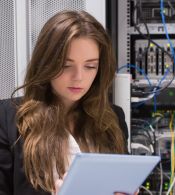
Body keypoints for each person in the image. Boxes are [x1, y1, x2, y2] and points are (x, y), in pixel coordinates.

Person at [0, 10, 133, 195]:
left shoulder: (113, 119)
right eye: (66, 65)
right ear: (46, 63)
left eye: (90, 66)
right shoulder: (8, 118)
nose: (78, 77)